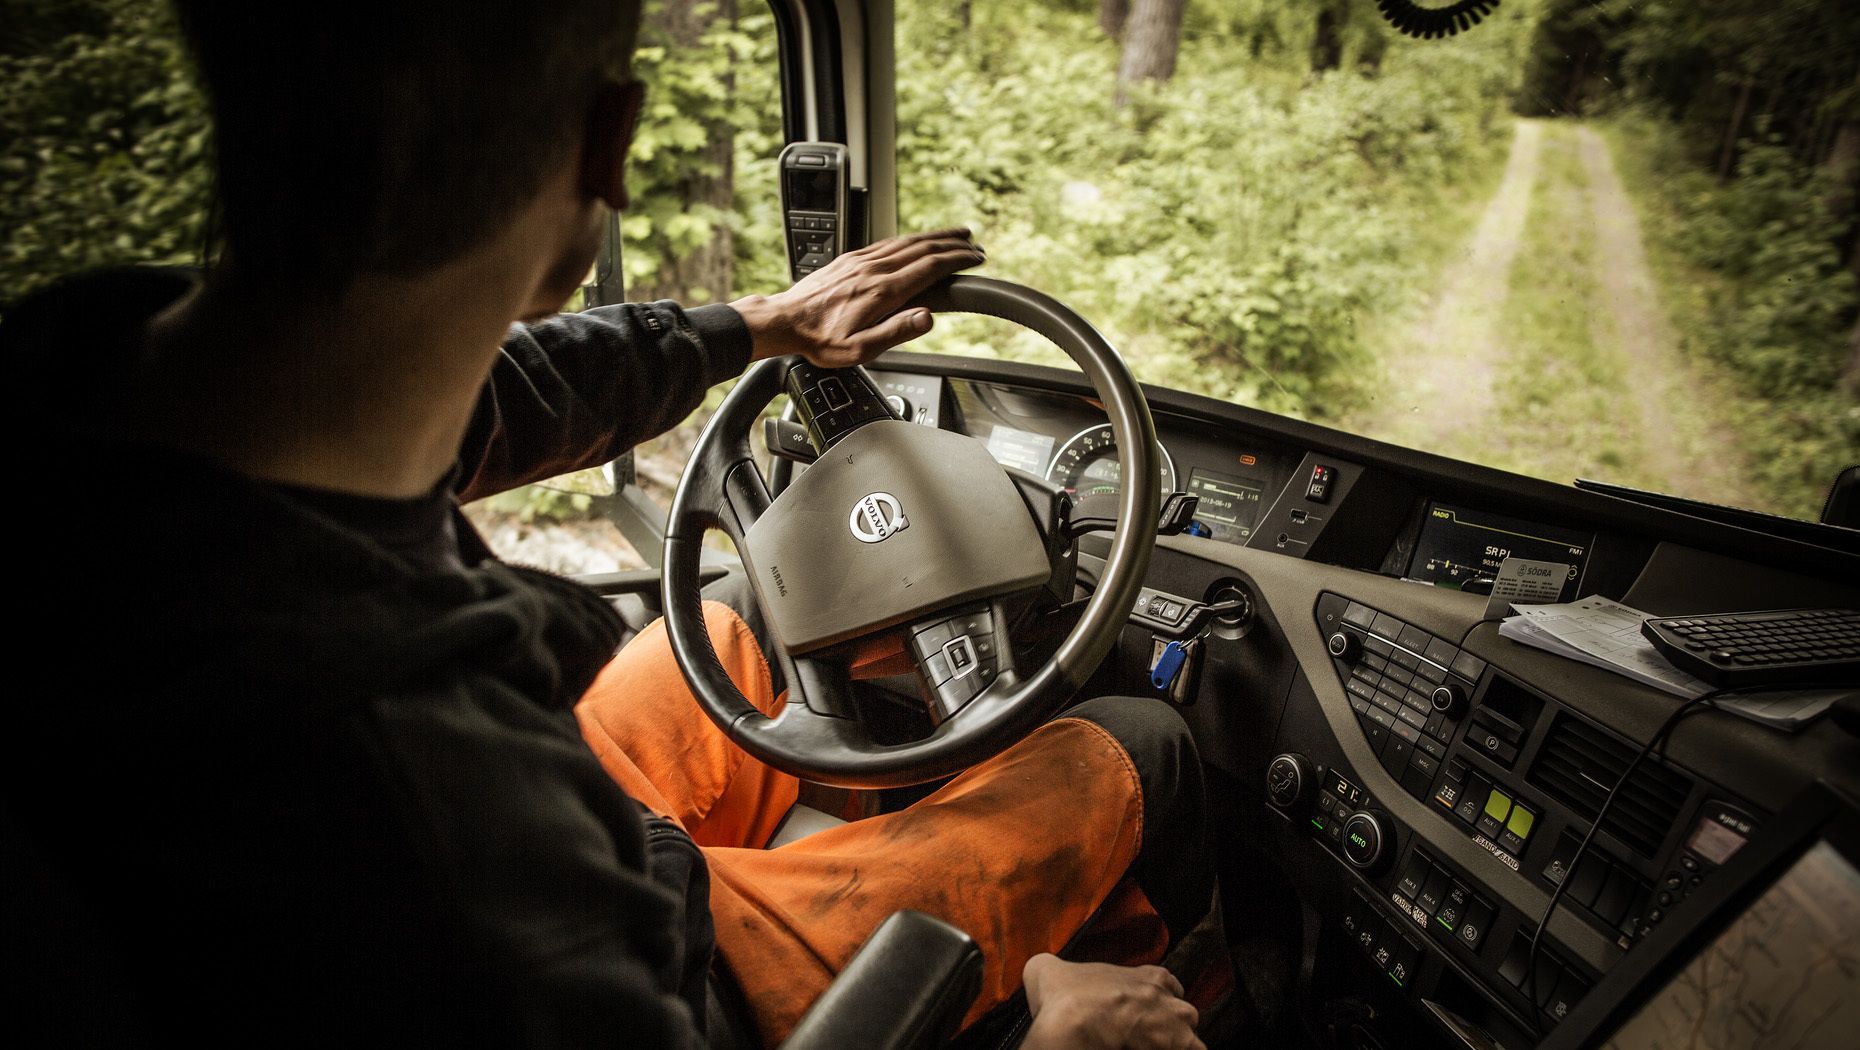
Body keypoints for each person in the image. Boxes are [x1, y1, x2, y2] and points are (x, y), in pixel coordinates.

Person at [1, 2, 1223, 1046]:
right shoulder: (436, 826)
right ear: (611, 143)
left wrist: (754, 328)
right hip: (679, 975)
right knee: (1132, 740)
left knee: (741, 627)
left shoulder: (100, 379)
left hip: (580, 838)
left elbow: (485, 394)